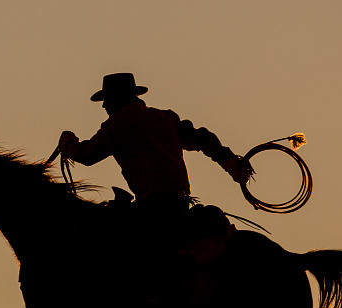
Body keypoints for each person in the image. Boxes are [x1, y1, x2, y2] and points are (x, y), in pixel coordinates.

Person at [58, 73, 252, 212]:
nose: (104, 105)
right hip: (180, 203)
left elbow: (86, 155)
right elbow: (203, 138)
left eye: (107, 100)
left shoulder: (119, 125)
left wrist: (67, 141)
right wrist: (232, 164)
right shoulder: (165, 118)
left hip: (153, 210)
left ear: (116, 100)